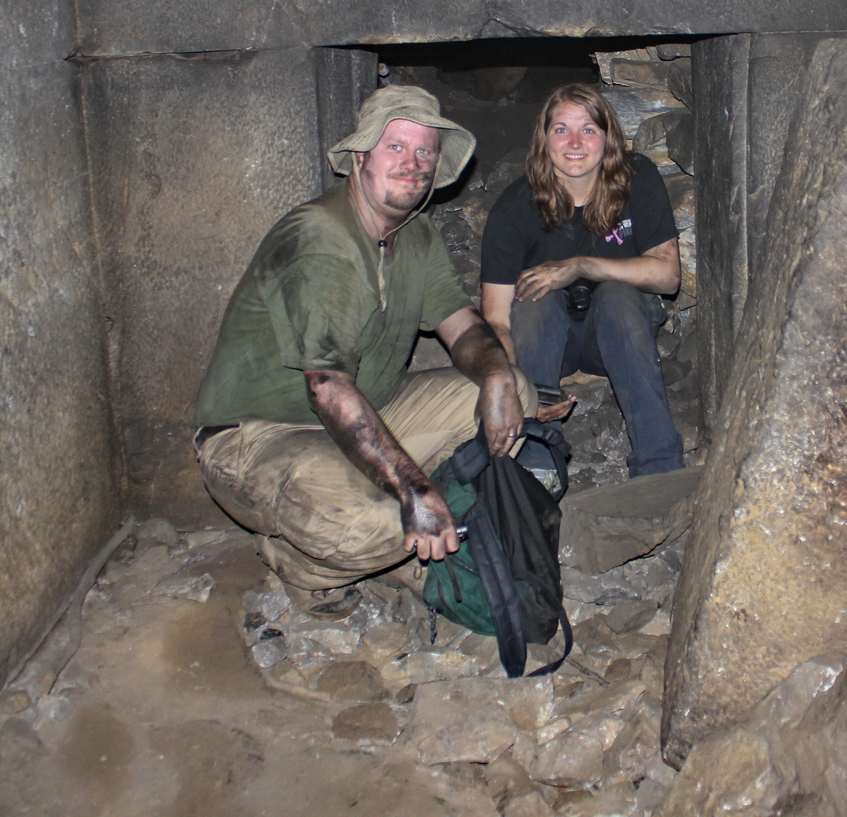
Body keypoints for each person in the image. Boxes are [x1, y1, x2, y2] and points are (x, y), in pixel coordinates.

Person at [192, 86, 536, 619]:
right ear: (360, 157)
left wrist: (495, 378)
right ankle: (303, 564)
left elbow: (463, 327)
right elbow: (326, 387)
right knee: (372, 527)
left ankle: (409, 513)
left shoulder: (415, 234)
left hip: (372, 411)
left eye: (425, 151)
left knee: (518, 390)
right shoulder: (322, 237)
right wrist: (414, 488)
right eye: (396, 146)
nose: (413, 162)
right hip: (263, 434)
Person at [480, 83, 685, 477]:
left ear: (608, 139)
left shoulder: (636, 179)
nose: (575, 142)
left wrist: (581, 266)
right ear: (544, 140)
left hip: (619, 332)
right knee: (537, 294)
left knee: (617, 296)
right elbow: (497, 319)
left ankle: (659, 466)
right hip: (545, 342)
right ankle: (537, 461)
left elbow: (667, 275)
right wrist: (515, 390)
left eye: (588, 129)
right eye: (561, 130)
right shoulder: (515, 207)